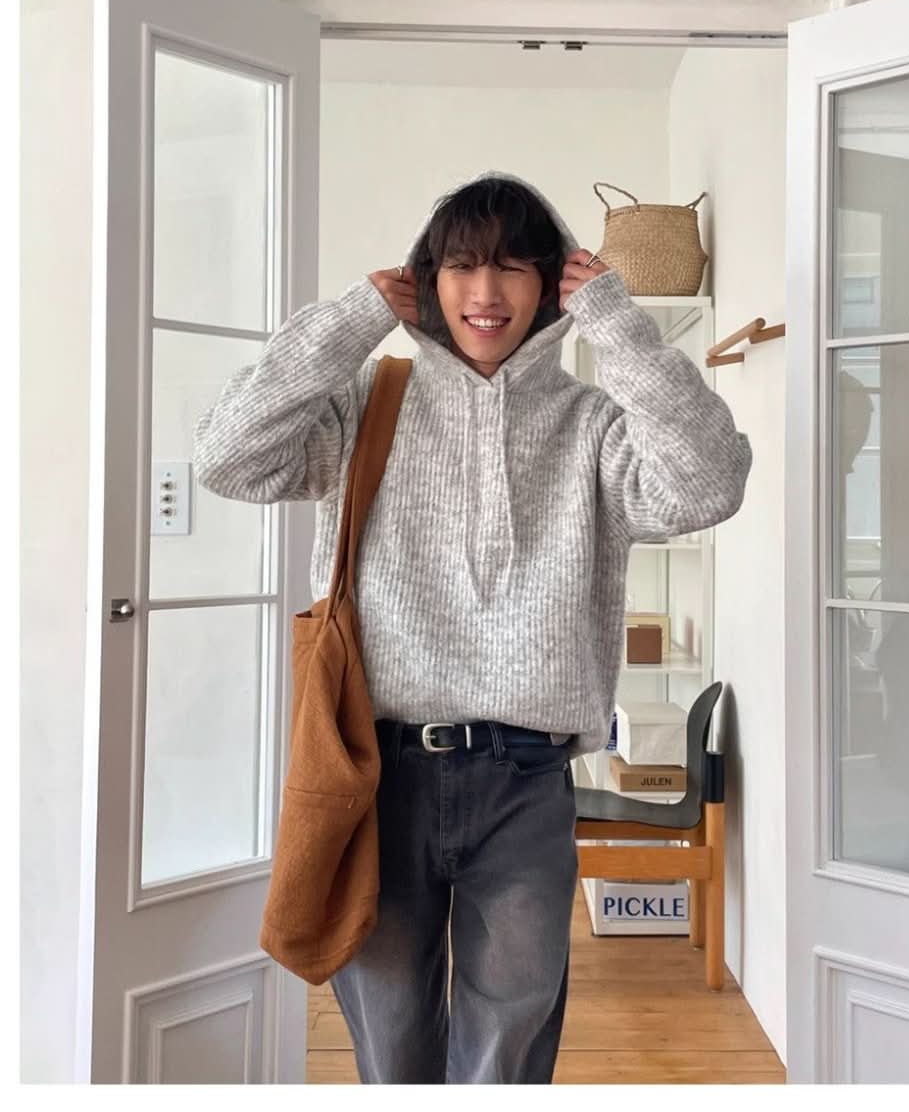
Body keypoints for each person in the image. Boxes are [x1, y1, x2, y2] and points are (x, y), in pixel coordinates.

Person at [192, 170, 753, 1083]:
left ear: (550, 285)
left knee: (507, 1061)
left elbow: (708, 483)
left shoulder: (592, 427)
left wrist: (617, 326)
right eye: (461, 265)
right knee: (393, 1056)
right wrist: (350, 321)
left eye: (512, 267)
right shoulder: (368, 403)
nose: (485, 292)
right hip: (378, 775)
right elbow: (227, 458)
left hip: (527, 783)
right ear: (428, 276)